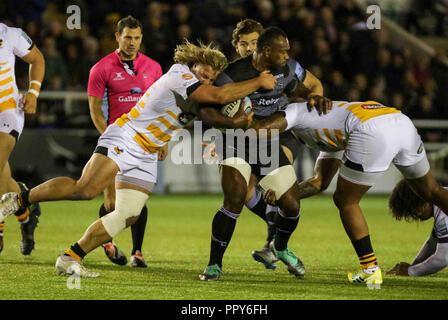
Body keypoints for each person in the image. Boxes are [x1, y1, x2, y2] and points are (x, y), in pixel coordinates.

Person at [0, 40, 277, 277]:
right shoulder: (180, 74)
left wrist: (241, 120)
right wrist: (258, 82)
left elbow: (213, 112)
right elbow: (220, 95)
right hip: (126, 136)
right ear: (195, 65)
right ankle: (19, 199)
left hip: (147, 152)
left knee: (128, 215)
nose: (207, 79)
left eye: (212, 77)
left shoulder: (200, 90)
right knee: (85, 190)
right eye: (205, 73)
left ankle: (71, 258)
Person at [252, 99, 448, 286]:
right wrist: (285, 195)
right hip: (400, 121)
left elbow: (261, 128)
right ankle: (369, 268)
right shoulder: (329, 128)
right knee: (432, 190)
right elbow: (319, 183)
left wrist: (237, 130)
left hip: (371, 128)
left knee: (346, 200)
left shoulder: (296, 110)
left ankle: (370, 268)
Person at [198, 26, 331, 281]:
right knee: (235, 196)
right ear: (267, 51)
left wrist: (315, 97)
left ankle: (278, 247)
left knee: (291, 203)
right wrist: (230, 124)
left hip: (268, 140)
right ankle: (214, 265)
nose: (287, 55)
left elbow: (307, 87)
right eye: (283, 51)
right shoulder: (233, 73)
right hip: (235, 140)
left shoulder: (287, 69)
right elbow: (206, 110)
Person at [88, 15, 163, 268]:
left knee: (138, 200)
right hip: (116, 142)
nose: (132, 42)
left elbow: (160, 108)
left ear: (142, 38)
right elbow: (96, 111)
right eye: (128, 37)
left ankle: (137, 252)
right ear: (117, 37)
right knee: (111, 201)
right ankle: (106, 242)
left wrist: (162, 139)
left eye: (137, 38)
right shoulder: (101, 68)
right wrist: (110, 139)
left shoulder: (153, 67)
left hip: (144, 143)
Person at [0, 22, 44, 255]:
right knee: (2, 175)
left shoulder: (9, 34)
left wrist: (34, 92)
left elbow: (37, 59)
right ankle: (26, 211)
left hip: (7, 111)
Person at [387, 179, 448, 276]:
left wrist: (410, 271)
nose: (413, 215)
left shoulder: (443, 213)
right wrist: (413, 266)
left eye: (412, 210)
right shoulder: (442, 199)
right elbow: (432, 243)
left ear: (424, 201)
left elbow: (443, 258)